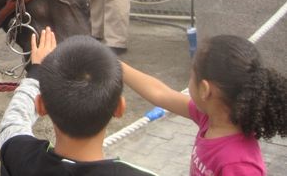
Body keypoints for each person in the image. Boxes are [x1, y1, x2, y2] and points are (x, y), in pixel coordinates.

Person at [0, 28, 156, 175]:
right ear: (119, 108)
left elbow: (11, 125)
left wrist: (36, 71)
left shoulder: (19, 156)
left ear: (40, 106)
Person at [122, 35, 287, 175]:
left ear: (205, 90)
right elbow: (160, 93)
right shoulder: (209, 118)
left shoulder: (238, 163)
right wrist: (113, 64)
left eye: (192, 75)